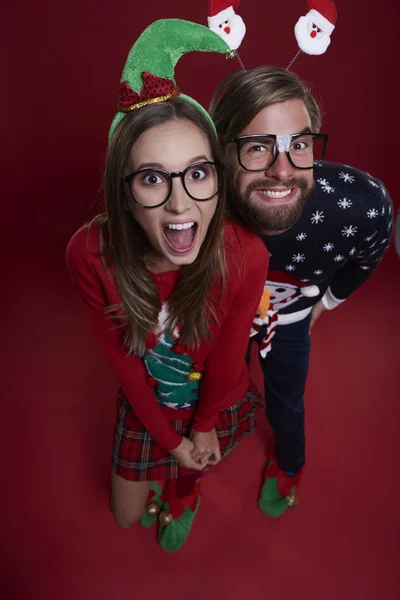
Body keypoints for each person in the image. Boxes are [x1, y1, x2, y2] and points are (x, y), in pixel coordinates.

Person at [66, 19, 269, 552]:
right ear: (125, 193)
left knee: (200, 458)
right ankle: (180, 468)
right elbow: (124, 366)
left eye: (198, 172)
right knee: (124, 518)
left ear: (218, 179)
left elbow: (229, 356)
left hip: (212, 397)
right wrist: (170, 440)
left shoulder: (246, 255)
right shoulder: (90, 254)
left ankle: (186, 494)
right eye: (153, 178)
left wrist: (201, 429)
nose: (181, 204)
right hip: (152, 400)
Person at [209, 65, 393, 518]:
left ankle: (290, 465)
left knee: (287, 401)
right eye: (257, 148)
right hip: (214, 315)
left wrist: (326, 303)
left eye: (299, 145)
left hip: (289, 321)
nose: (282, 170)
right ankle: (187, 475)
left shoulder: (360, 206)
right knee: (201, 397)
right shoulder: (195, 199)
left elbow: (368, 253)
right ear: (222, 153)